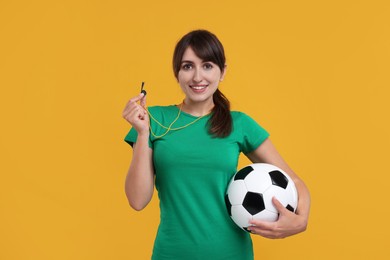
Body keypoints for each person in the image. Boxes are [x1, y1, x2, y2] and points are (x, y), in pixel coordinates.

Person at [122, 29, 310, 260]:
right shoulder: (153, 120)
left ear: (222, 71)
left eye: (208, 65)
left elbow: (294, 181)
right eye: (188, 66)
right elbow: (137, 200)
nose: (197, 77)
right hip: (172, 253)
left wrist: (300, 221)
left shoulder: (239, 124)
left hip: (231, 254)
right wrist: (142, 134)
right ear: (177, 73)